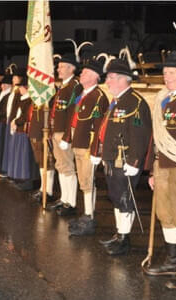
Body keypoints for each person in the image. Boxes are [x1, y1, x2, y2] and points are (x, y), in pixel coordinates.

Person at [143, 51, 176, 290]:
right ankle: (172, 260)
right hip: (163, 164)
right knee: (165, 214)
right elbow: (156, 136)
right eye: (165, 73)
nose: (167, 77)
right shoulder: (163, 98)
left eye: (172, 72)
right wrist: (152, 170)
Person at [90, 58, 152, 256]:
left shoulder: (135, 102)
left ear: (123, 79)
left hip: (124, 160)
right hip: (112, 158)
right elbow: (106, 130)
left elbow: (141, 134)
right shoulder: (117, 101)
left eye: (110, 78)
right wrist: (99, 152)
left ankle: (125, 238)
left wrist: (134, 162)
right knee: (116, 197)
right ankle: (119, 234)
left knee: (124, 198)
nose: (106, 82)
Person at [64, 57, 109, 236]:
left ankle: (89, 216)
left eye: (84, 73)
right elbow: (74, 118)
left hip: (88, 144)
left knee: (88, 180)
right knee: (83, 179)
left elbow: (100, 126)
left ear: (94, 76)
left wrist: (96, 149)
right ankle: (86, 213)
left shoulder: (98, 97)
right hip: (78, 141)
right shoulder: (82, 94)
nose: (81, 74)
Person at [43, 53, 82, 214]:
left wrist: (67, 136)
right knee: (60, 165)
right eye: (58, 66)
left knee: (67, 167)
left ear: (71, 68)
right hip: (56, 131)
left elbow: (73, 113)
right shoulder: (64, 86)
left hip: (64, 133)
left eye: (62, 66)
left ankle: (70, 202)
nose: (58, 69)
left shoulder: (75, 86)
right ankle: (64, 198)